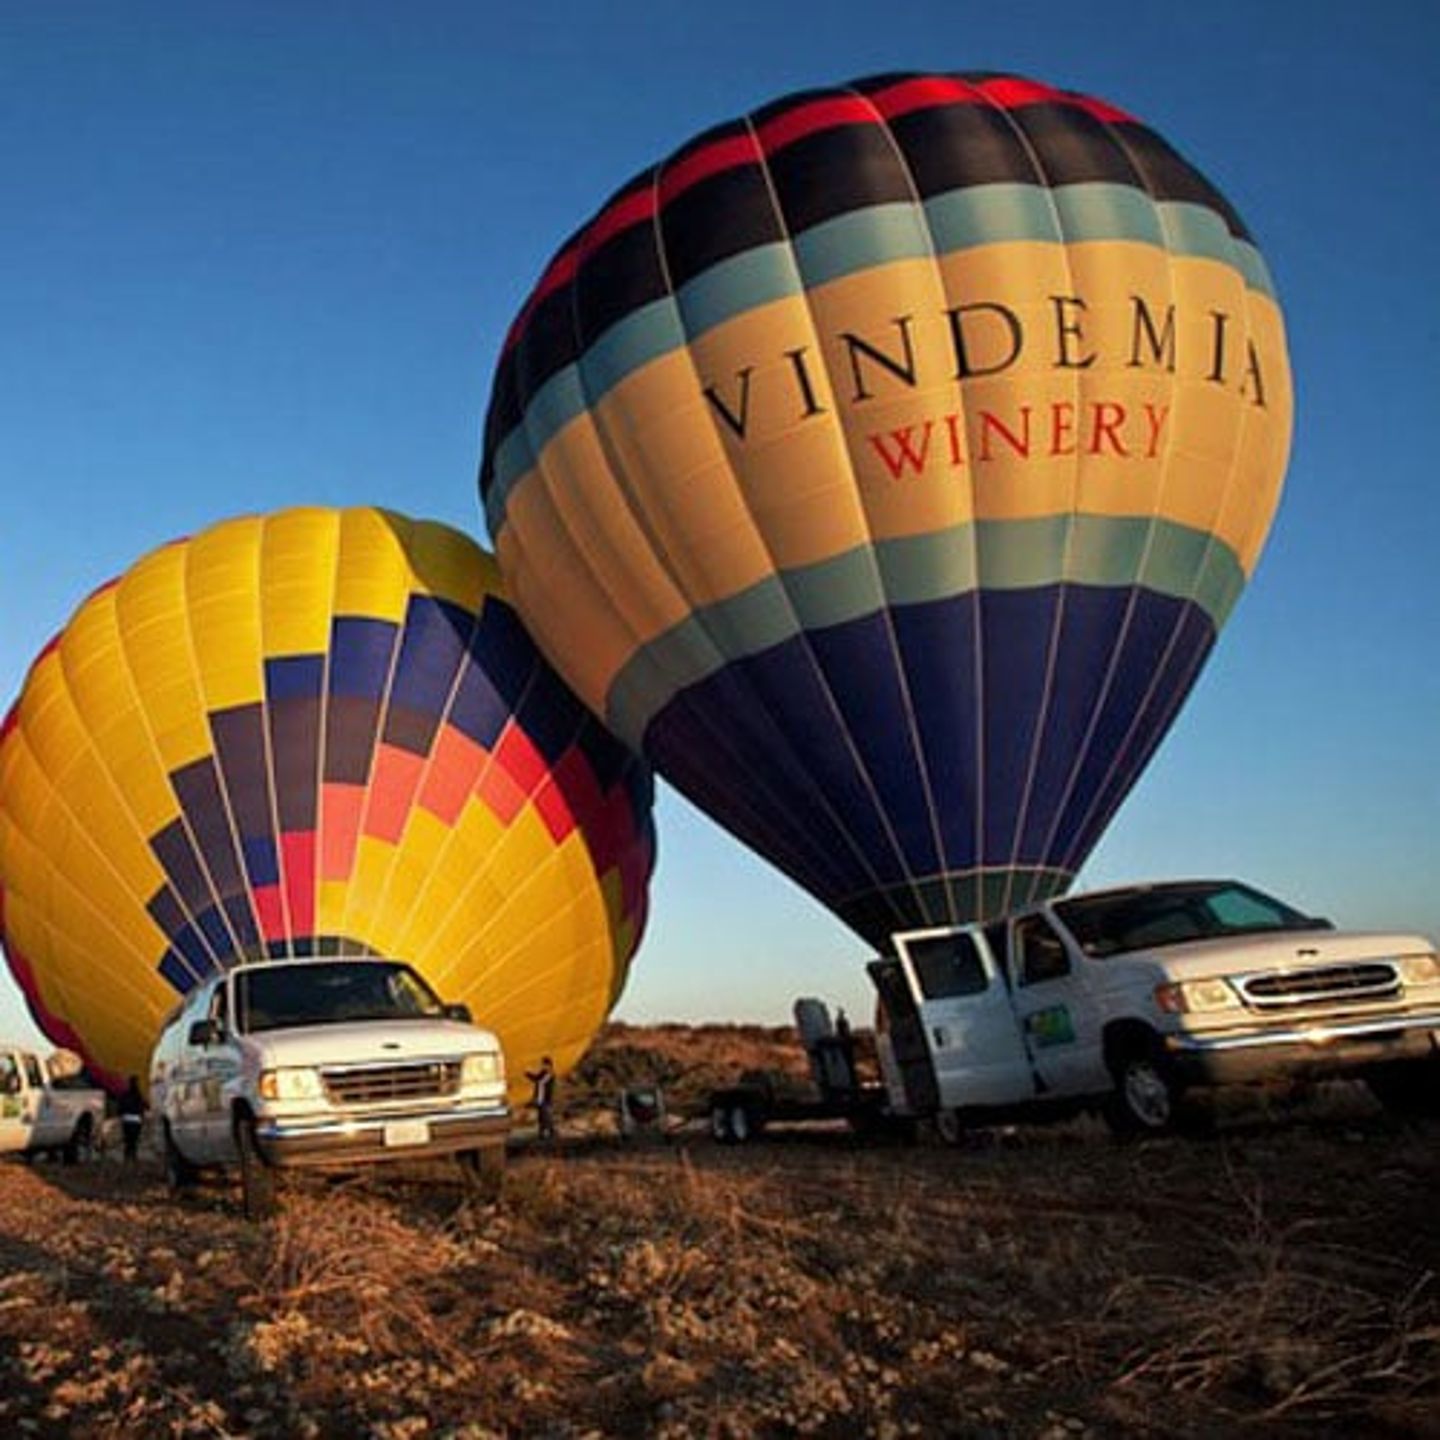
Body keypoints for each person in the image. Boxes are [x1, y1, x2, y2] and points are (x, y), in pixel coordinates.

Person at [526, 1056, 556, 1141]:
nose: (542, 1066)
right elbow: (537, 1079)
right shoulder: (543, 1072)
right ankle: (542, 1133)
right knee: (541, 1117)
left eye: (544, 1064)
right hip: (540, 1099)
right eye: (542, 1064)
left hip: (546, 1099)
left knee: (547, 1117)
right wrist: (528, 1074)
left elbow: (540, 1081)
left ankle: (551, 1133)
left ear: (548, 1065)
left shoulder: (550, 1074)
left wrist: (529, 1074)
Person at [118, 1075, 147, 1161]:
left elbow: (120, 1107)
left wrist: (120, 1115)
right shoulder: (138, 1095)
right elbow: (143, 1106)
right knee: (134, 1140)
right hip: (136, 1120)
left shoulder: (124, 1094)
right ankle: (133, 1156)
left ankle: (127, 1157)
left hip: (126, 1119)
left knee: (127, 1140)